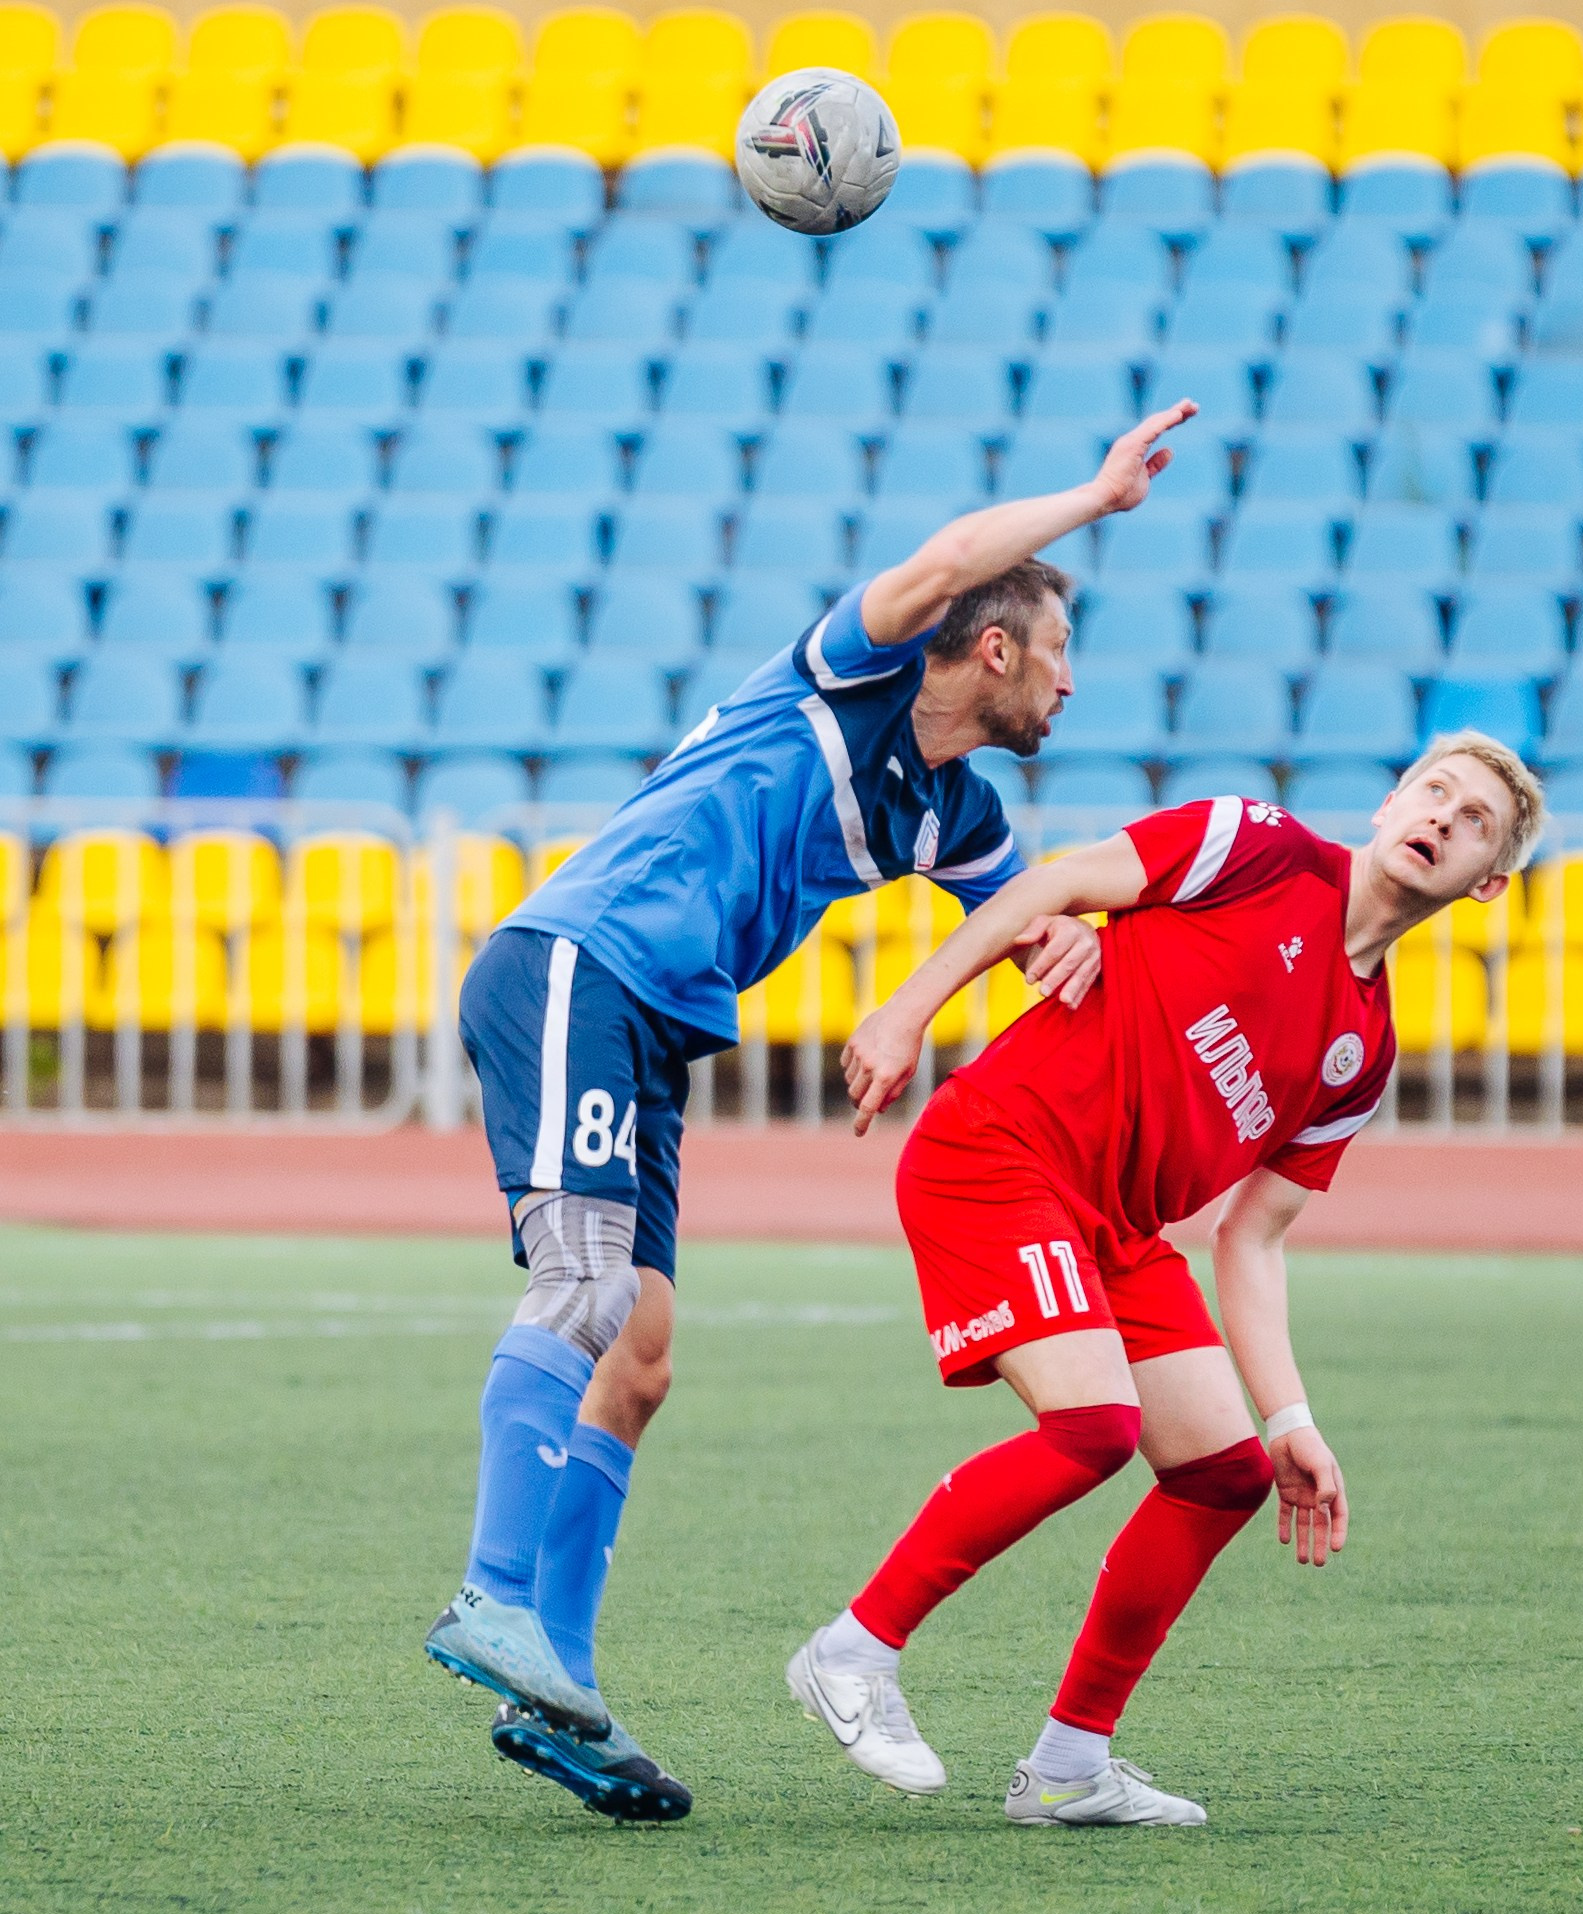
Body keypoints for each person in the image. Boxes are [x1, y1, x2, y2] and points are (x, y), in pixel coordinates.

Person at [425, 401, 1199, 1822]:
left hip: (652, 1027)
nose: (1072, 689)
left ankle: (561, 1688)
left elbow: (1032, 915)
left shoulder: (955, 813)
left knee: (640, 1359)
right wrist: (1093, 500)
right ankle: (494, 1590)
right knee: (585, 1286)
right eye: (1063, 654)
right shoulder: (850, 672)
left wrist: (1076, 937)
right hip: (580, 961)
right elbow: (958, 549)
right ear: (994, 646)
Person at [789, 733, 1546, 1825]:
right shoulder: (1261, 845)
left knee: (1224, 1472)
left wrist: (1290, 1415)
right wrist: (907, 1010)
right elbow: (1055, 883)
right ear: (1389, 802)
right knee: (1094, 1423)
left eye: (1475, 820)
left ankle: (1068, 1764)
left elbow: (1253, 1236)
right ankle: (852, 1650)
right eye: (1435, 791)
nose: (1444, 816)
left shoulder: (1363, 1052)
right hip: (1001, 1151)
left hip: (1120, 1227)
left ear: (1489, 883)